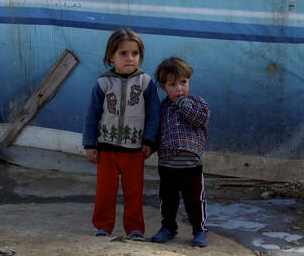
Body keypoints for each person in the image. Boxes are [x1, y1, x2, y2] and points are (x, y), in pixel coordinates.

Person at [82, 28, 160, 241]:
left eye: (134, 53)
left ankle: (135, 229)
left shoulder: (145, 83)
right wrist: (90, 144)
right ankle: (103, 227)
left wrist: (150, 141)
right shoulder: (103, 83)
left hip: (134, 150)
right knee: (105, 192)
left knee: (134, 192)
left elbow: (154, 114)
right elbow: (92, 115)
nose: (129, 58)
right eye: (123, 54)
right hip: (106, 149)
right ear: (111, 56)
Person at [150, 57, 210, 247]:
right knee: (168, 200)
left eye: (183, 82)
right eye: (172, 84)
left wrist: (182, 103)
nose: (179, 88)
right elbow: (156, 131)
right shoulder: (162, 108)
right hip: (167, 165)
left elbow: (200, 118)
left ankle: (199, 230)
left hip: (191, 165)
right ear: (163, 86)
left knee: (195, 201)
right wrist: (148, 147)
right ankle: (168, 227)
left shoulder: (197, 102)